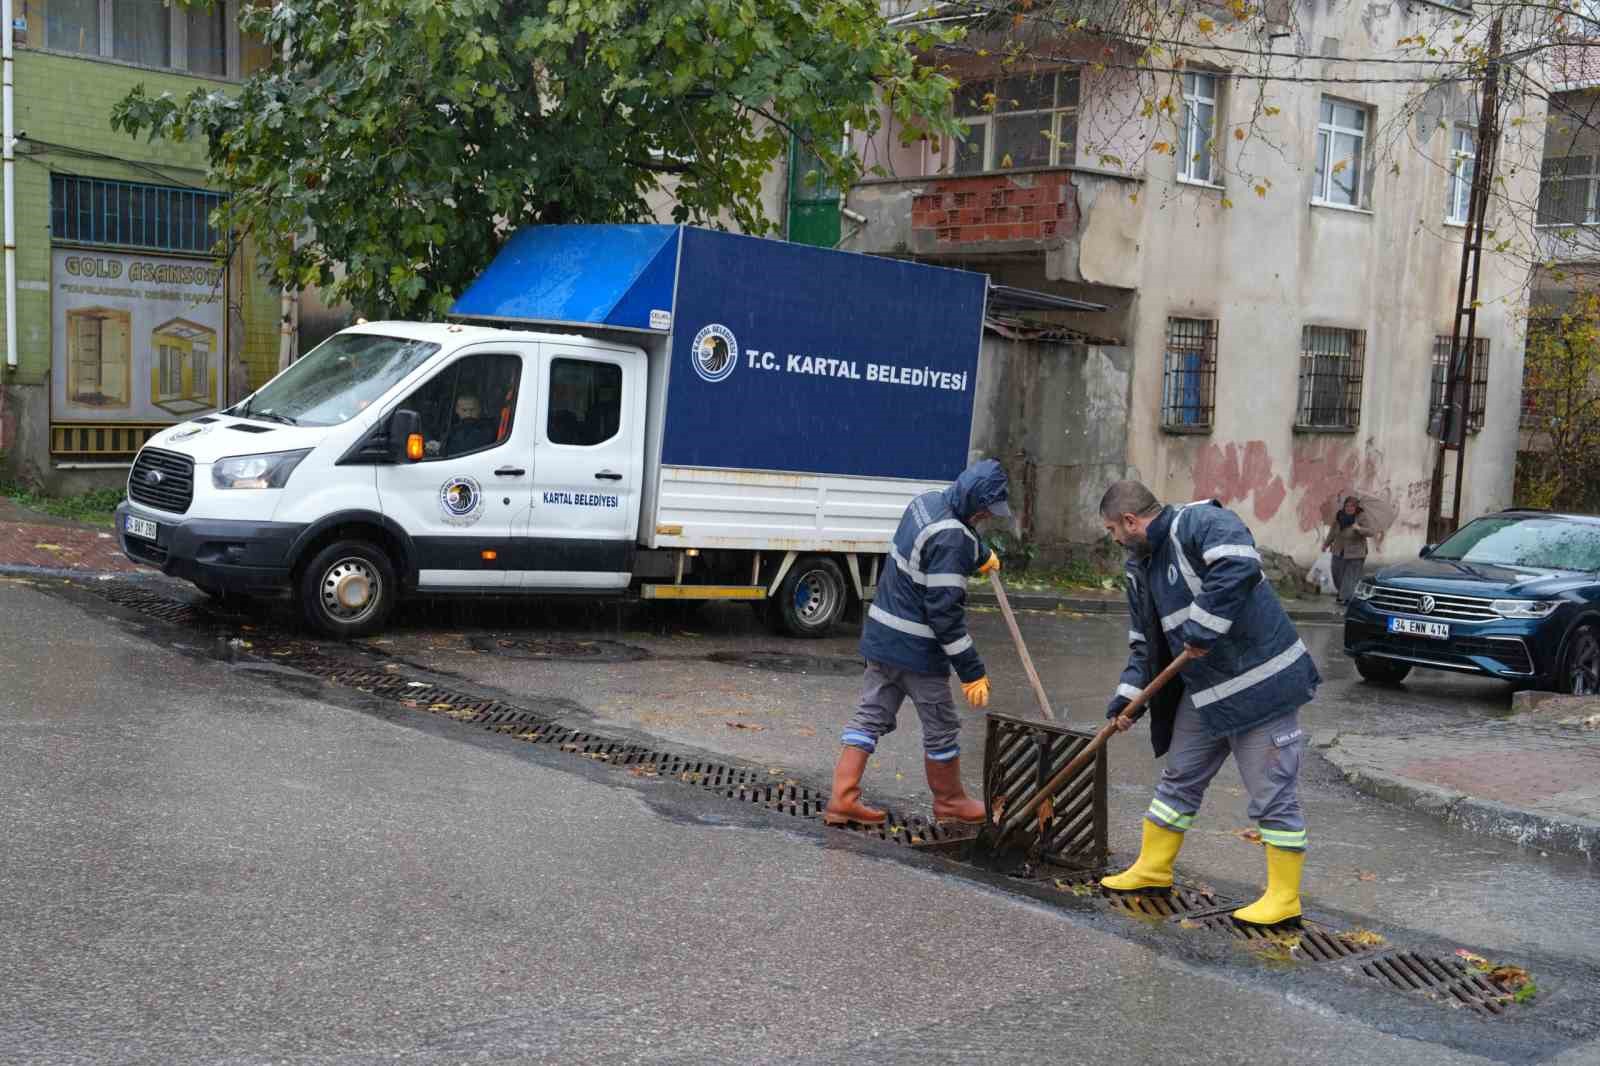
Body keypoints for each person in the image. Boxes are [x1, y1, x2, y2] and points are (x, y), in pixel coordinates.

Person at [1097, 480, 1321, 926]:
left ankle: (1283, 899)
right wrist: (1127, 701)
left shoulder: (1198, 522)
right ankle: (1151, 869)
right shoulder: (1138, 569)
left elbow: (1238, 564)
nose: (1114, 539)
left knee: (1272, 795)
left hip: (1261, 691)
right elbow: (1146, 645)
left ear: (1130, 520)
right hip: (1207, 694)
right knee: (1178, 778)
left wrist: (1201, 627)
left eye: (1112, 529)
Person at [822, 458, 1011, 828]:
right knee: (941, 726)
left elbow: (937, 546)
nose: (988, 516)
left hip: (881, 639)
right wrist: (972, 671)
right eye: (987, 510)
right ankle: (951, 801)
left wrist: (979, 553)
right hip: (917, 652)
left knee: (870, 716)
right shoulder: (953, 538)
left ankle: (841, 799)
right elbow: (945, 615)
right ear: (975, 503)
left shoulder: (925, 502)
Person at [1322, 496, 1373, 606]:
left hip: (1356, 553)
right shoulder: (1339, 515)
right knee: (1337, 575)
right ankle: (1344, 594)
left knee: (1350, 577)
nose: (1349, 508)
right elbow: (1333, 531)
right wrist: (1326, 544)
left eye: (1352, 506)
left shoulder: (1361, 516)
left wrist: (1359, 529)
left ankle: (1344, 597)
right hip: (1338, 550)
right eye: (1347, 506)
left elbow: (1370, 532)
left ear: (1356, 507)